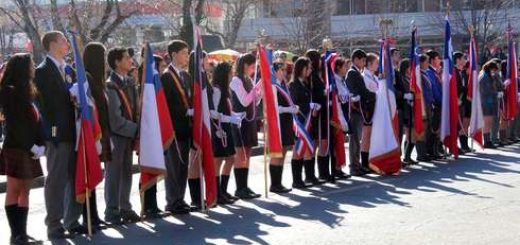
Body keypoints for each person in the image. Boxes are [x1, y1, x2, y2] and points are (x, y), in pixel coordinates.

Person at [34, 31, 86, 239]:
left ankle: (72, 221)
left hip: (75, 131)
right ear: (53, 44)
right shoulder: (42, 71)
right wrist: (52, 134)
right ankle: (54, 224)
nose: (67, 44)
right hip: (57, 133)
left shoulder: (70, 69)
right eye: (64, 41)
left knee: (75, 178)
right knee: (56, 180)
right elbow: (45, 107)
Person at [0, 53, 45, 244]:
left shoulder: (29, 90)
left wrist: (41, 143)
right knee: (14, 189)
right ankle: (16, 233)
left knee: (25, 191)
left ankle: (23, 233)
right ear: (22, 68)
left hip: (31, 149)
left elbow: (38, 119)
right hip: (16, 146)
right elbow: (14, 125)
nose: (34, 68)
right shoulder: (9, 91)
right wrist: (31, 145)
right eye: (31, 65)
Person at [104, 47, 140, 224]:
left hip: (129, 134)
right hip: (116, 136)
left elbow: (135, 110)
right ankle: (112, 210)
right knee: (114, 173)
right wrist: (137, 129)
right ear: (117, 62)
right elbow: (115, 119)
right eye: (126, 58)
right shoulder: (111, 85)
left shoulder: (130, 82)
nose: (130, 60)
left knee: (126, 172)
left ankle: (125, 207)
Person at [161, 40, 193, 214]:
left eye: (187, 53)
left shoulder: (186, 76)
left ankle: (180, 198)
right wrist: (186, 112)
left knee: (183, 166)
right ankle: (172, 200)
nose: (186, 56)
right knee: (173, 167)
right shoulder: (166, 76)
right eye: (183, 52)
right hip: (173, 128)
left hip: (186, 129)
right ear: (173, 54)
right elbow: (166, 104)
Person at [81, 42, 110, 229]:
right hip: (92, 133)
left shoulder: (97, 79)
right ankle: (89, 216)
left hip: (102, 132)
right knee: (88, 174)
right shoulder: (88, 78)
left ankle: (94, 215)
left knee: (94, 173)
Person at [137, 54, 168, 218]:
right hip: (147, 132)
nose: (163, 70)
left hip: (157, 132)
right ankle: (146, 205)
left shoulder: (158, 84)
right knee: (148, 167)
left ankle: (153, 204)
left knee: (155, 165)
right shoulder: (143, 86)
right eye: (161, 67)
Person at [230, 53, 263, 199]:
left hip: (249, 121)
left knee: (248, 154)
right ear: (244, 65)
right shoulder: (236, 80)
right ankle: (239, 187)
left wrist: (259, 93)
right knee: (241, 154)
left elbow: (253, 101)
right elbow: (244, 101)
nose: (253, 70)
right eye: (251, 66)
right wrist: (256, 88)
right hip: (239, 122)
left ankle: (245, 185)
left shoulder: (248, 79)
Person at [211, 62, 242, 203]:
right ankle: (217, 193)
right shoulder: (216, 90)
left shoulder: (226, 90)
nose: (232, 75)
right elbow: (213, 113)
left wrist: (236, 115)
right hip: (219, 130)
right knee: (218, 161)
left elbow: (226, 109)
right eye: (230, 73)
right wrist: (230, 118)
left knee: (230, 158)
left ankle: (223, 190)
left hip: (227, 127)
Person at [289, 57, 317, 188]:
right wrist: (309, 105)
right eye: (308, 68)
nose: (310, 70)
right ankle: (296, 180)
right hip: (298, 122)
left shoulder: (305, 83)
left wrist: (313, 107)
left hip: (307, 119)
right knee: (298, 150)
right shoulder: (293, 84)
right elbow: (295, 103)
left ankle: (308, 176)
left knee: (306, 149)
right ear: (301, 69)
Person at [270, 61, 294, 193]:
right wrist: (289, 109)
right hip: (278, 123)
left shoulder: (284, 85)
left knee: (284, 151)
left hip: (286, 121)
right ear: (275, 72)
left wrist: (292, 108)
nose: (285, 72)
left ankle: (279, 182)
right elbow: (275, 108)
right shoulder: (273, 86)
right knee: (277, 154)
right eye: (282, 70)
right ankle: (274, 184)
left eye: (284, 70)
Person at [345, 49, 369, 176]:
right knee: (354, 139)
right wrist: (372, 95)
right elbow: (355, 90)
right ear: (356, 59)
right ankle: (354, 166)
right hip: (355, 110)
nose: (364, 63)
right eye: (363, 60)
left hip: (359, 109)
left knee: (357, 139)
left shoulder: (357, 72)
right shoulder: (352, 73)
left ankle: (357, 164)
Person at [304, 50, 326, 185]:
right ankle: (309, 175)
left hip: (321, 110)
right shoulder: (311, 76)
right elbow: (312, 93)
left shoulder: (318, 74)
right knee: (313, 144)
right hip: (314, 112)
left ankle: (318, 173)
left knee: (318, 143)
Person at [330, 56, 352, 180]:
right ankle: (336, 168)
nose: (346, 68)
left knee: (341, 142)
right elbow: (338, 98)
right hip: (338, 115)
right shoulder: (335, 81)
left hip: (344, 114)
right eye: (344, 66)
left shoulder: (342, 80)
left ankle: (339, 167)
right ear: (338, 67)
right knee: (337, 142)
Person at [398, 58, 418, 165]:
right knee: (409, 134)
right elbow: (403, 92)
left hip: (412, 109)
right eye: (410, 67)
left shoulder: (410, 79)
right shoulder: (402, 79)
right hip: (406, 109)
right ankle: (406, 156)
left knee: (412, 135)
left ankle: (407, 155)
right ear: (406, 68)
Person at [480, 60, 502, 148]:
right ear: (490, 68)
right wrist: (496, 93)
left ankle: (488, 140)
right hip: (486, 102)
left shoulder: (489, 76)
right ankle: (486, 141)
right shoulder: (484, 77)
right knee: (487, 122)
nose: (495, 71)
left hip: (491, 102)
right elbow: (486, 90)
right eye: (494, 69)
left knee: (489, 122)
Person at [416, 55, 434, 162]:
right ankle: (420, 153)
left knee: (427, 128)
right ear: (421, 63)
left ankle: (425, 152)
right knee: (421, 129)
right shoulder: (419, 76)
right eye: (427, 61)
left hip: (428, 104)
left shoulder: (425, 74)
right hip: (422, 104)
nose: (428, 63)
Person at [454, 52, 472, 153]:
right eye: (463, 58)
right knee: (457, 125)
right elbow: (455, 87)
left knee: (463, 125)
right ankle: (456, 146)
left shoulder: (463, 73)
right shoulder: (453, 71)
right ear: (458, 60)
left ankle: (464, 145)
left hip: (464, 101)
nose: (465, 60)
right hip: (457, 101)